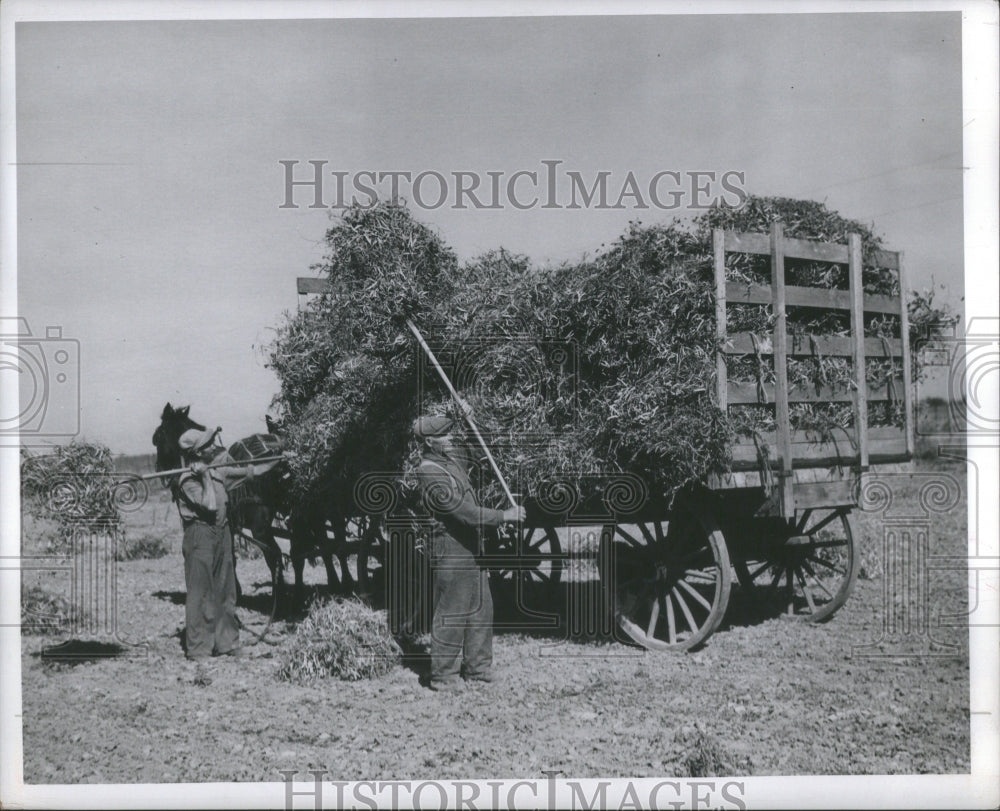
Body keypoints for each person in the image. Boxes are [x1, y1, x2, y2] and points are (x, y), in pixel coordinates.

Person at [413, 412, 524, 691]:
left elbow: (475, 452)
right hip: (450, 547)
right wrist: (504, 516)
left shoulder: (449, 461)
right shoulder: (428, 472)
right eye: (444, 436)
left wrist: (469, 418)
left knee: (481, 608)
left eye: (450, 434)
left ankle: (478, 668)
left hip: (470, 546)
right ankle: (443, 676)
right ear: (430, 442)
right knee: (453, 610)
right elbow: (463, 512)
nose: (450, 439)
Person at [173, 426, 284, 662]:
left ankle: (227, 642)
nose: (215, 445)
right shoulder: (186, 480)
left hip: (222, 533)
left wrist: (281, 458)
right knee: (201, 592)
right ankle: (199, 648)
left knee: (226, 588)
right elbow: (210, 506)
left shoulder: (218, 471)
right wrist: (203, 477)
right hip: (200, 536)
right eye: (209, 444)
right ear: (197, 452)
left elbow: (255, 471)